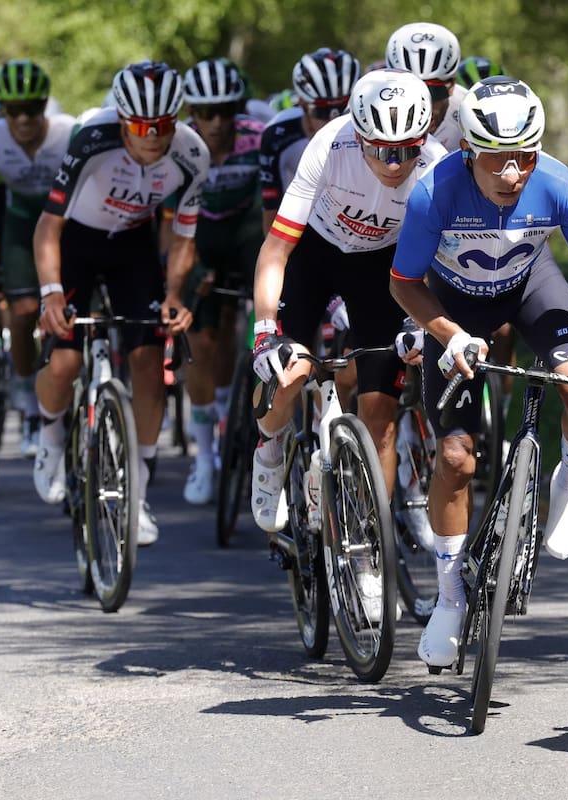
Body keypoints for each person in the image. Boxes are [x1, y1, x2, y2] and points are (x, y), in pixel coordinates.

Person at [389, 76, 568, 668]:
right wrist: (447, 335)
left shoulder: (556, 183)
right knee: (454, 458)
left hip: (530, 286)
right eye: (498, 160)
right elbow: (403, 283)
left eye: (525, 157)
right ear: (471, 151)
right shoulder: (434, 192)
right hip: (454, 306)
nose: (513, 173)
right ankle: (450, 597)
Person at [249, 69, 447, 552]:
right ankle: (270, 448)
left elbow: (444, 263)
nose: (395, 163)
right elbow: (275, 249)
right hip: (314, 257)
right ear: (359, 135)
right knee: (291, 370)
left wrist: (423, 325)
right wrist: (263, 330)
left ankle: (366, 549)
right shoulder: (328, 146)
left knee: (380, 414)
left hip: (381, 270)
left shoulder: (440, 167)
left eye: (407, 149)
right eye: (381, 149)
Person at [33, 61, 209, 547]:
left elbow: (183, 235)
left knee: (150, 362)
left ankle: (139, 494)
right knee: (65, 361)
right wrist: (50, 293)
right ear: (122, 119)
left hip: (133, 246)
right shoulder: (92, 139)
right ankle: (49, 436)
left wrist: (175, 293)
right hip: (78, 244)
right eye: (140, 126)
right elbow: (48, 226)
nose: (152, 137)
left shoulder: (193, 153)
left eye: (163, 126)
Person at [0, 59, 76, 458]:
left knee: (72, 312)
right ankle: (31, 405)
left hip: (65, 223)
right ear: (2, 110)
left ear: (45, 104)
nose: (24, 119)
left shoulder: (69, 134)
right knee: (21, 310)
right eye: (14, 110)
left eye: (33, 108)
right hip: (17, 222)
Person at [170, 57, 265, 505]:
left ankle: (233, 411)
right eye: (205, 113)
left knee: (241, 318)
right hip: (199, 233)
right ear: (191, 113)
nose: (215, 122)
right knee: (202, 340)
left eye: (225, 111)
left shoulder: (257, 136)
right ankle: (204, 456)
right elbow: (171, 221)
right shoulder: (179, 145)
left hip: (246, 228)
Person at [259, 48, 361, 232]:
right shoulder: (277, 135)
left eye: (345, 109)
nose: (334, 121)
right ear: (303, 105)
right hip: (303, 226)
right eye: (323, 112)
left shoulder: (371, 131)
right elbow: (272, 216)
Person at [385, 22, 465, 152]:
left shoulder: (468, 113)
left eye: (433, 92)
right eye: (409, 92)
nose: (423, 106)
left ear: (452, 86)